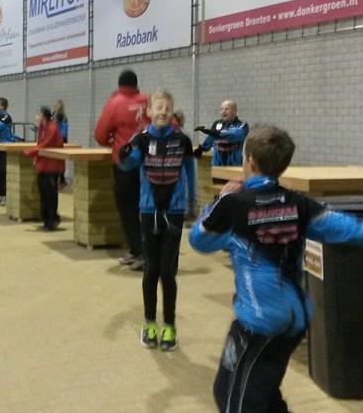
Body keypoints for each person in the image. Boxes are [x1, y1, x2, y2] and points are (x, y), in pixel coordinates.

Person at [188, 125, 363, 412]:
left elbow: (199, 240)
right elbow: (353, 229)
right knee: (258, 392)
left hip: (260, 321)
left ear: (250, 160)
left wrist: (218, 201)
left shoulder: (232, 204)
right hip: (295, 318)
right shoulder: (299, 204)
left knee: (235, 401)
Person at [117, 91, 196, 351]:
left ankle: (170, 325)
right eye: (158, 107)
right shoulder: (141, 139)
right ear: (149, 112)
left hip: (173, 212)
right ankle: (149, 322)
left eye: (167, 108)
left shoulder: (182, 140)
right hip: (148, 211)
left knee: (167, 271)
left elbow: (190, 171)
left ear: (172, 112)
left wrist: (191, 201)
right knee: (151, 269)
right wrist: (123, 155)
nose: (163, 112)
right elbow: (129, 164)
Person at [94, 69, 149, 271]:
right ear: (136, 84)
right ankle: (143, 251)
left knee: (127, 208)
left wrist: (114, 143)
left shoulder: (115, 103)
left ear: (120, 85)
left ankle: (138, 251)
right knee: (148, 207)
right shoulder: (149, 101)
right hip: (149, 163)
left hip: (125, 163)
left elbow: (100, 135)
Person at [24, 106, 65, 231]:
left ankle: (52, 219)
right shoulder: (42, 127)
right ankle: (47, 218)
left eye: (37, 114)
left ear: (42, 116)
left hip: (53, 165)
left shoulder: (52, 128)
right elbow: (39, 144)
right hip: (43, 164)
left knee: (50, 194)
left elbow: (46, 144)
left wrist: (31, 152)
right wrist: (35, 158)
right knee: (42, 192)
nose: (36, 117)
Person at [194, 100, 249, 166]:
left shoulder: (242, 125)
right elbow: (211, 138)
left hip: (234, 166)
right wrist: (202, 149)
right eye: (222, 109)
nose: (223, 111)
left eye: (227, 109)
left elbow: (234, 135)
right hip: (217, 165)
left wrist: (217, 133)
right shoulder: (217, 124)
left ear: (235, 111)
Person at [53, 100, 69, 189]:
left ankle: (62, 180)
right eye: (55, 106)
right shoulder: (53, 116)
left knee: (60, 160)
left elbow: (64, 132)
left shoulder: (63, 118)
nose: (56, 108)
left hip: (61, 141)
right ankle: (58, 179)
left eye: (57, 106)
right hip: (55, 141)